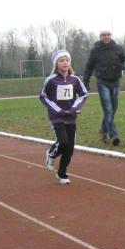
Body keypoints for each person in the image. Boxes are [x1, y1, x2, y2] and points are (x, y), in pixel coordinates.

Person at [40, 49, 88, 184]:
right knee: (63, 142)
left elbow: (84, 94)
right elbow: (43, 96)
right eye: (61, 61)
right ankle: (51, 154)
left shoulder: (75, 80)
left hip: (71, 117)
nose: (65, 63)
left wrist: (74, 108)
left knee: (70, 148)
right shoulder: (51, 80)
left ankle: (62, 173)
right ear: (56, 64)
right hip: (57, 118)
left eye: (67, 60)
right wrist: (58, 110)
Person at [83, 29, 125, 146]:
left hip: (115, 81)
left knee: (113, 109)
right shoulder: (95, 50)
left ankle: (103, 131)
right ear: (100, 36)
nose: (106, 37)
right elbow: (89, 66)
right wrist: (86, 81)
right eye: (104, 35)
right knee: (108, 109)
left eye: (108, 35)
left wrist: (124, 65)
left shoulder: (118, 48)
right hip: (102, 82)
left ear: (110, 36)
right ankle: (114, 135)